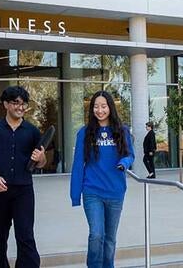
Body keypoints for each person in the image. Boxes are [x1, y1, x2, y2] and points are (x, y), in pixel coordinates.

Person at [0, 86, 46, 268]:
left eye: (23, 103)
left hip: (23, 190)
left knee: (25, 235)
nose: (20, 107)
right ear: (6, 104)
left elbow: (41, 162)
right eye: (15, 103)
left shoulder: (32, 131)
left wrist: (41, 158)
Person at [70, 90, 135, 268]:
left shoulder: (122, 131)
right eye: (96, 107)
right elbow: (77, 166)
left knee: (110, 238)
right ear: (92, 109)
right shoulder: (84, 133)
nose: (100, 110)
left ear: (110, 108)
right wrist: (75, 195)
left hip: (115, 192)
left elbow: (130, 155)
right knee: (96, 234)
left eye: (103, 106)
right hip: (92, 192)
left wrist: (124, 163)